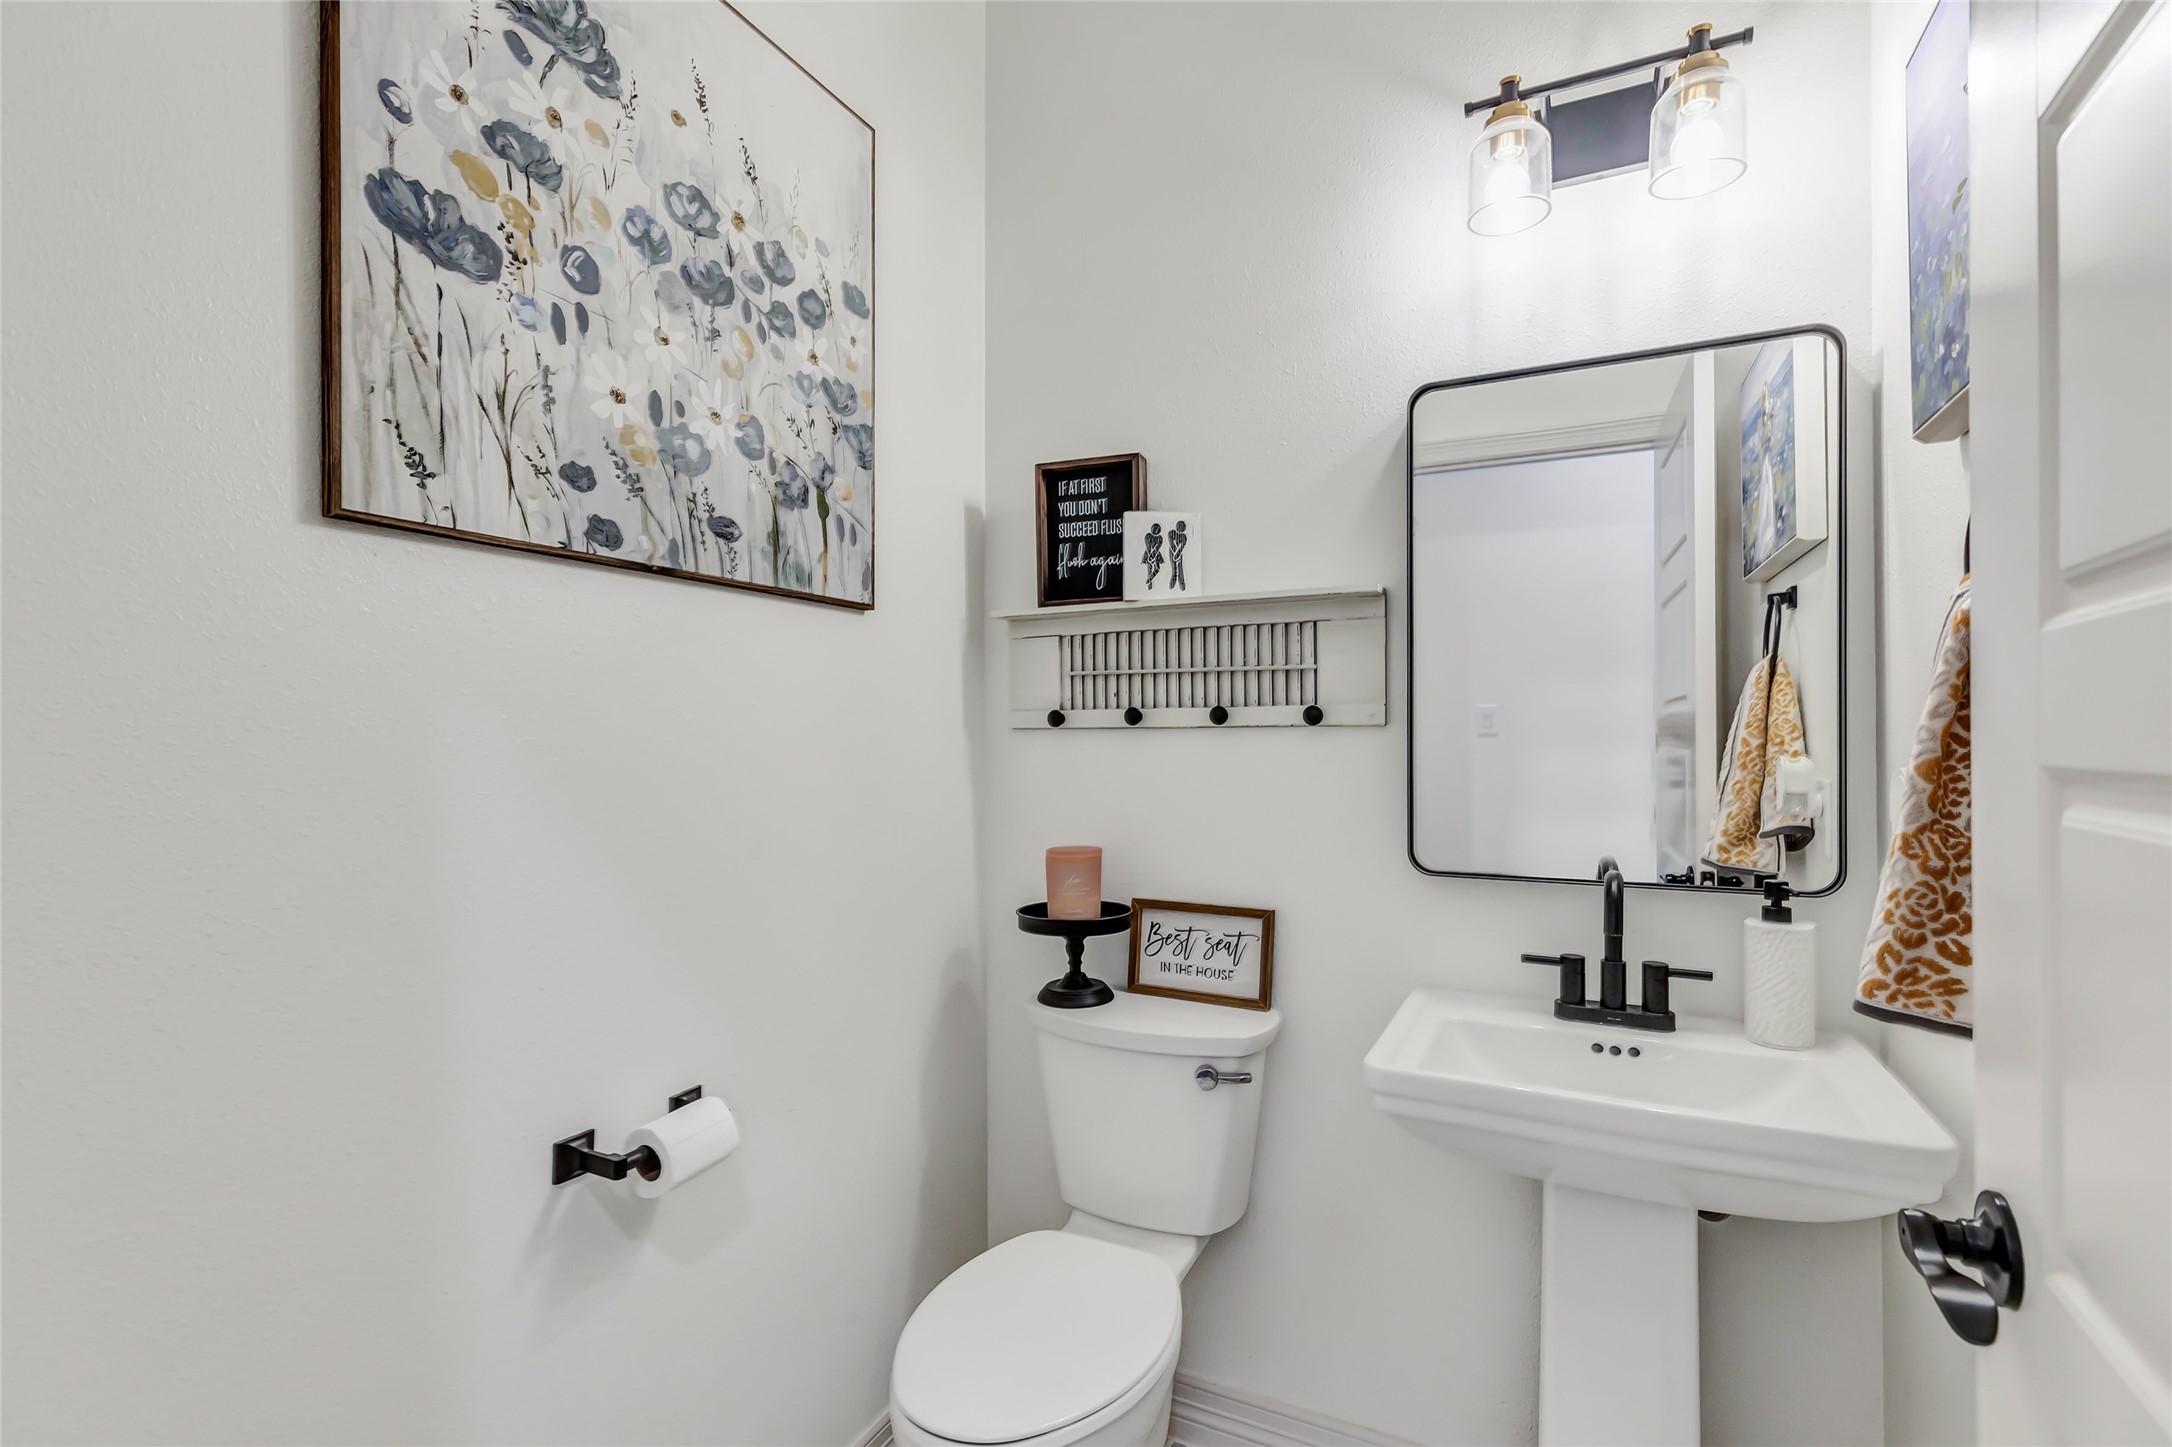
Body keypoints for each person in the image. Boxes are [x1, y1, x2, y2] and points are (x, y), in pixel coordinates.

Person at [1140, 522, 1164, 590]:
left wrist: (1153, 555)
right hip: (1149, 553)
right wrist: (1150, 556)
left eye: (1158, 530)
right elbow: (1148, 546)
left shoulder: (1160, 538)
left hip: (1155, 554)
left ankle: (1149, 579)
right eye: (1155, 529)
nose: (1156, 531)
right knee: (1149, 568)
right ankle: (1149, 584)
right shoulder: (1148, 536)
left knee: (1157, 568)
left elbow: (1158, 547)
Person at [1168, 520, 1189, 591]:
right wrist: (1175, 553)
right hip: (1172, 552)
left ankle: (1181, 583)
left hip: (1179, 553)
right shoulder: (1171, 533)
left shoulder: (1184, 537)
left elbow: (1182, 546)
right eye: (1180, 526)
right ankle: (1173, 581)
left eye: (1182, 527)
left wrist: (1177, 554)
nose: (1181, 528)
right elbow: (1171, 544)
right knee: (1174, 569)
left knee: (1180, 568)